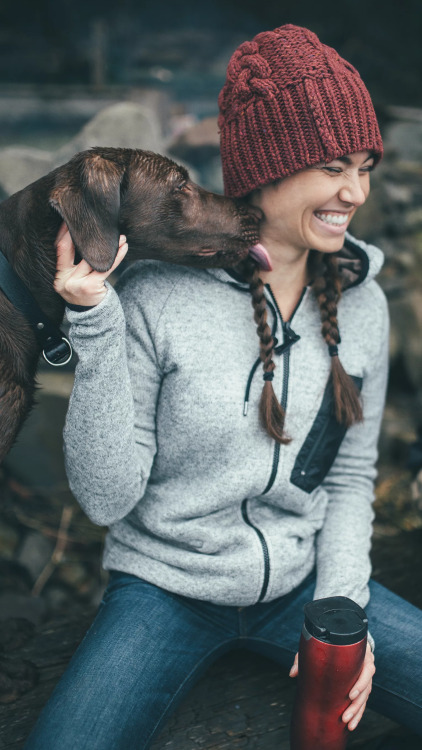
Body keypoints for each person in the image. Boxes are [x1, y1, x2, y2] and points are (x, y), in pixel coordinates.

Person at [24, 24, 422, 750]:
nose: (355, 192)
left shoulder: (365, 301)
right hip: (164, 592)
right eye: (335, 165)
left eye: (365, 166)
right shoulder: (157, 294)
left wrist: (341, 610)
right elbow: (108, 498)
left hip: (305, 581)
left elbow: (351, 473)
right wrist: (95, 324)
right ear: (269, 168)